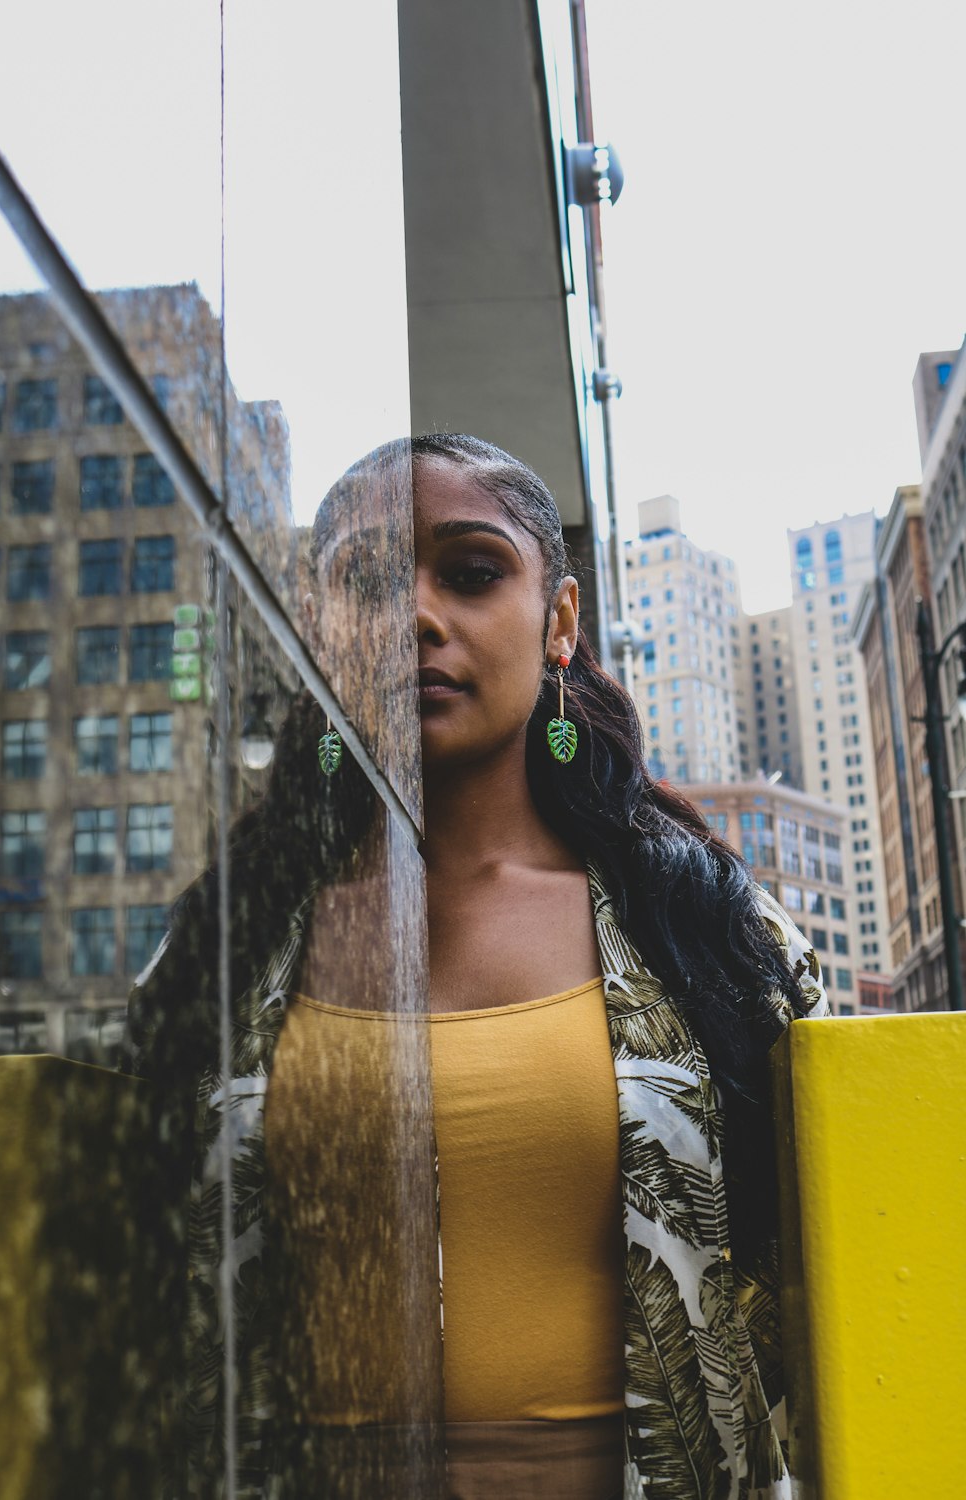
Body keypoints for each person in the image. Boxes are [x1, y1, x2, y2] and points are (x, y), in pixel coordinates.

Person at [125, 434, 828, 1500]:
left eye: (469, 571)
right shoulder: (224, 945)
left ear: (559, 620)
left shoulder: (704, 924)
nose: (414, 614)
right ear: (316, 628)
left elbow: (827, 1276)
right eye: (364, 582)